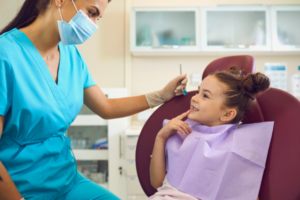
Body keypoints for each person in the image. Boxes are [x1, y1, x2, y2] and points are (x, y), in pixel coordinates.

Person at [0, 0, 188, 199]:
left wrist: (161, 95)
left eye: (98, 18)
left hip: (66, 180)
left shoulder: (71, 54)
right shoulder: (6, 54)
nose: (93, 25)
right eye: (91, 13)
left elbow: (105, 107)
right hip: (19, 186)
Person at [149, 67, 272, 200]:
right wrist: (160, 138)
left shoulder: (237, 149)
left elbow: (246, 194)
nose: (194, 98)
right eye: (198, 91)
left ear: (227, 114)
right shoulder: (181, 131)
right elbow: (158, 184)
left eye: (205, 95)